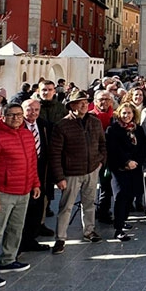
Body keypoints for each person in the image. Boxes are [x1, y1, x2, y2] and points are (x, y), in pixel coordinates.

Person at [0, 103, 41, 288]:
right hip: (2, 193)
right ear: (2, 117)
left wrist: (35, 183)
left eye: (19, 115)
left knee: (15, 228)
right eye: (11, 115)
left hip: (23, 191)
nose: (16, 118)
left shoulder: (26, 135)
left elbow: (32, 162)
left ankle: (8, 260)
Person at [50, 90, 107, 254]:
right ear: (72, 105)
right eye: (80, 102)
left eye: (85, 102)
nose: (84, 104)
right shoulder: (62, 125)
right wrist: (59, 177)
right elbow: (55, 154)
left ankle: (89, 231)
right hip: (71, 173)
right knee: (66, 206)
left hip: (91, 170)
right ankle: (60, 238)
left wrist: (101, 161)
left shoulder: (94, 122)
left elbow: (102, 143)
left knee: (89, 203)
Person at [105, 103, 146, 240]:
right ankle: (118, 229)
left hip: (135, 168)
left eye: (129, 113)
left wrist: (137, 162)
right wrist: (126, 162)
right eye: (124, 113)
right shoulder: (113, 130)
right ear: (119, 114)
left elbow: (143, 148)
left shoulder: (138, 130)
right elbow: (113, 149)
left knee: (131, 195)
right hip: (120, 168)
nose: (126, 116)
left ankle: (123, 220)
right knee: (120, 196)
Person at [18, 99, 53, 253]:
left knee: (37, 207)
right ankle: (19, 243)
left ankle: (31, 239)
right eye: (29, 109)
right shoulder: (17, 126)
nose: (33, 113)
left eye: (36, 110)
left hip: (41, 171)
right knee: (22, 211)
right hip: (21, 173)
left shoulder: (44, 125)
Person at [90, 90, 115, 225]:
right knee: (91, 187)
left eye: (106, 99)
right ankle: (90, 212)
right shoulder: (90, 117)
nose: (103, 102)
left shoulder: (115, 117)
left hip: (110, 156)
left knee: (106, 185)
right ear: (95, 101)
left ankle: (103, 211)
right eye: (100, 99)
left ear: (111, 102)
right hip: (94, 157)